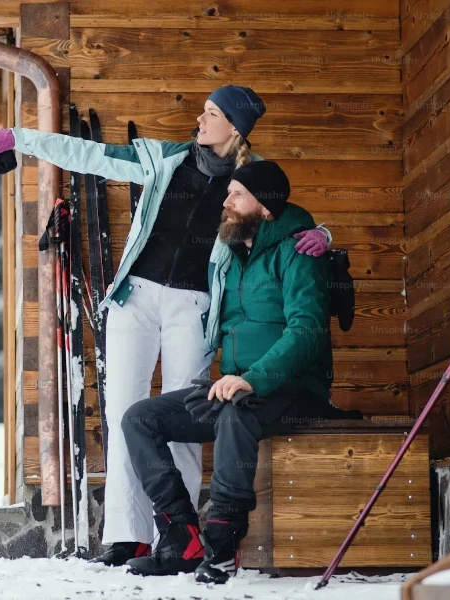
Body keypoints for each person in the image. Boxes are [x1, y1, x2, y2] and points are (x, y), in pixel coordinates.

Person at [0, 86, 332, 566]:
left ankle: (180, 540)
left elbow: (283, 215)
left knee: (184, 416)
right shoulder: (165, 158)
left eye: (212, 113)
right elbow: (91, 154)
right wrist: (21, 139)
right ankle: (129, 534)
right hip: (134, 298)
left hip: (196, 306)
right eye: (203, 111)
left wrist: (323, 233)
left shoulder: (251, 179)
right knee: (124, 411)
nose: (200, 121)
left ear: (236, 127)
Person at [119, 160, 334, 583]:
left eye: (237, 194)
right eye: (228, 191)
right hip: (236, 387)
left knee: (237, 413)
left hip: (290, 389)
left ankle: (221, 545)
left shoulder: (298, 253)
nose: (226, 200)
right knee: (140, 418)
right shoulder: (231, 253)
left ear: (266, 208)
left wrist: (253, 378)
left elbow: (306, 330)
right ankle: (182, 536)